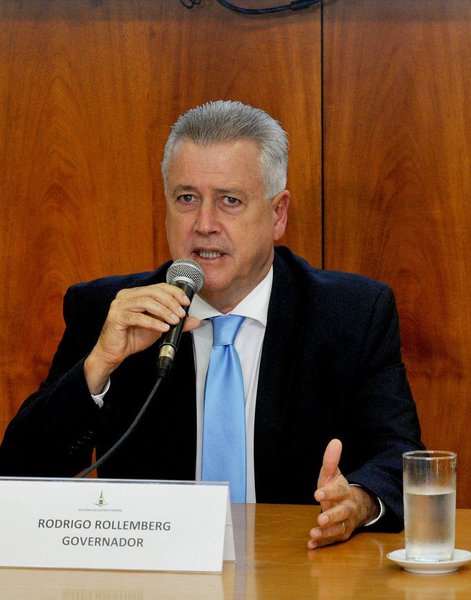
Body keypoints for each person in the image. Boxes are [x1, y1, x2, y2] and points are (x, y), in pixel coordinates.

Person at [0, 100, 424, 549]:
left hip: (299, 572)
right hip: (157, 581)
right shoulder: (110, 311)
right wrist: (97, 369)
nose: (204, 224)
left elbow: (401, 459)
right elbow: (17, 478)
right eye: (187, 198)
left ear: (277, 214)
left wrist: (357, 500)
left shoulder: (351, 313)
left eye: (230, 201)